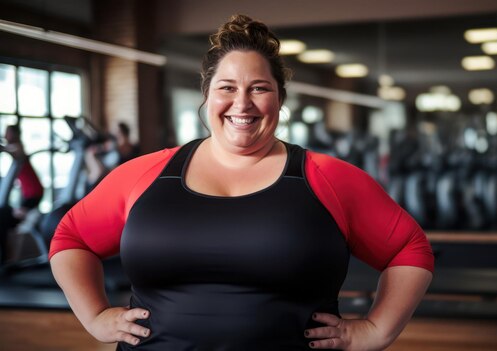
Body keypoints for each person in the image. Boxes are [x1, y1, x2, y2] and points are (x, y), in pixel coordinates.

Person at [49, 14, 434, 350]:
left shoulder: (327, 177)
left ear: (279, 99)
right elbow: (72, 238)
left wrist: (376, 330)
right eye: (227, 87)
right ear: (207, 95)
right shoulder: (146, 173)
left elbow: (408, 248)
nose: (242, 103)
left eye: (259, 88)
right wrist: (95, 316)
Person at [1, 125, 44, 262]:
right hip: (29, 193)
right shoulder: (15, 148)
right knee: (15, 215)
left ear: (14, 134)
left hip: (33, 193)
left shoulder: (18, 147)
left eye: (7, 132)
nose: (5, 135)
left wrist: (3, 148)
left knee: (15, 216)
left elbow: (15, 151)